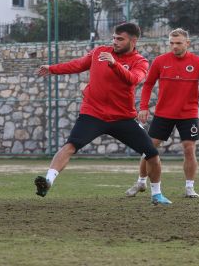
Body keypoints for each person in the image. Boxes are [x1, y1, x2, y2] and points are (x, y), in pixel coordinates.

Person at [34, 22, 172, 205]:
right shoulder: (100, 51)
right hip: (93, 113)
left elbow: (134, 79)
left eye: (120, 39)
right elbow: (78, 64)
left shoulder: (140, 61)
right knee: (70, 145)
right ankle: (48, 181)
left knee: (152, 154)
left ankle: (157, 194)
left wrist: (115, 65)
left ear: (133, 40)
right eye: (114, 38)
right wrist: (52, 68)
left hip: (123, 117)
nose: (115, 42)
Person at [126, 28, 199, 199]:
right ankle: (141, 181)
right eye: (171, 43)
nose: (174, 46)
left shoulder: (198, 62)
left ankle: (189, 187)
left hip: (188, 114)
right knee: (149, 148)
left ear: (187, 43)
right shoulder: (160, 61)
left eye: (178, 43)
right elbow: (147, 85)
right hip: (163, 113)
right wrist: (144, 107)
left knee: (189, 149)